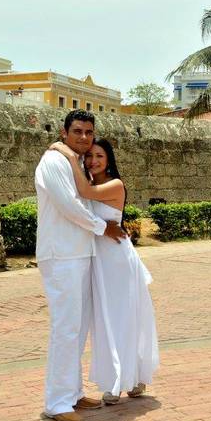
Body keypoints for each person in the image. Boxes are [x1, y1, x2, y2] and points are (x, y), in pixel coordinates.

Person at [50, 137, 160, 405]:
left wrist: (66, 152)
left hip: (118, 261)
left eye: (99, 155)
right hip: (96, 261)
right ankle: (123, 377)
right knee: (103, 321)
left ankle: (126, 379)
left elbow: (86, 193)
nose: (93, 161)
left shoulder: (114, 185)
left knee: (124, 317)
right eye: (89, 156)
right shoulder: (88, 184)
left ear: (109, 159)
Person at [36, 110, 126, 421]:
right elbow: (69, 206)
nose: (84, 138)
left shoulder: (76, 164)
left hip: (80, 253)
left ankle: (72, 393)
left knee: (78, 327)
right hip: (61, 255)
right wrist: (104, 228)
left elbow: (85, 201)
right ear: (64, 133)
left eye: (89, 132)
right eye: (78, 132)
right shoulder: (55, 162)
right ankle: (56, 402)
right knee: (66, 328)